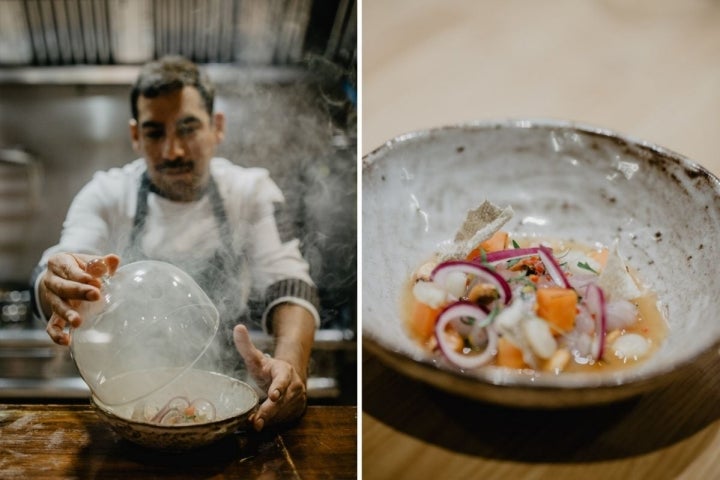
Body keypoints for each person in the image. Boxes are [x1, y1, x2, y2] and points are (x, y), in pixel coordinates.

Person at [31, 55, 320, 432]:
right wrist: (57, 281)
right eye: (154, 133)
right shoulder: (106, 194)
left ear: (217, 127)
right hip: (131, 400)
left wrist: (290, 368)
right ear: (135, 136)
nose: (174, 151)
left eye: (188, 128)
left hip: (227, 403)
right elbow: (57, 263)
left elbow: (290, 283)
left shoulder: (250, 191)